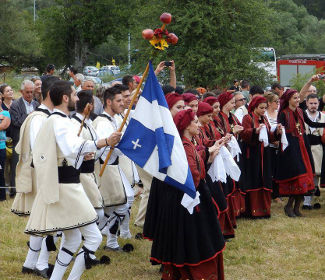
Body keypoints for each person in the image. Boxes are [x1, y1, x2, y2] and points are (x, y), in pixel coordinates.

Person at [25, 80, 120, 280]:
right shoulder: (58, 120)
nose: (78, 99)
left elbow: (70, 149)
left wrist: (85, 151)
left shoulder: (59, 119)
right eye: (75, 95)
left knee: (74, 237)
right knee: (93, 238)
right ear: (65, 98)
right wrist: (104, 142)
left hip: (67, 184)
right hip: (67, 186)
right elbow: (72, 148)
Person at [144, 109, 225, 280]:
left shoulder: (185, 144)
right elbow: (192, 176)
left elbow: (194, 162)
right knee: (192, 240)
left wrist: (209, 155)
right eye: (195, 121)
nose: (198, 124)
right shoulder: (184, 146)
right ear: (187, 126)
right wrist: (205, 164)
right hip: (187, 201)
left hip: (183, 199)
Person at [11, 76, 59, 278]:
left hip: (44, 175)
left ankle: (31, 263)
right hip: (42, 176)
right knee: (46, 223)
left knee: (45, 222)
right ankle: (39, 264)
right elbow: (42, 155)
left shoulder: (44, 116)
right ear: (52, 94)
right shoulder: (40, 119)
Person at [92, 84, 133, 250]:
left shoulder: (114, 119)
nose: (122, 103)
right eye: (118, 100)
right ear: (109, 102)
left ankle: (108, 239)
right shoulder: (102, 122)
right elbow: (105, 145)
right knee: (122, 201)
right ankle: (100, 232)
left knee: (118, 203)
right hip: (106, 167)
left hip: (114, 166)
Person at [276, 89, 325, 218]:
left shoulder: (300, 111)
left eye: (298, 98)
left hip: (303, 145)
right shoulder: (283, 114)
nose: (298, 100)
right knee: (297, 177)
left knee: (305, 176)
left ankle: (297, 208)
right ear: (288, 100)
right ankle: (289, 206)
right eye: (295, 98)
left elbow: (311, 123)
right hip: (291, 148)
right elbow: (280, 133)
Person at [239, 96, 282, 218]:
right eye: (261, 108)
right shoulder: (247, 118)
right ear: (254, 107)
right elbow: (244, 134)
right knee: (253, 179)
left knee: (264, 179)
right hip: (252, 155)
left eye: (265, 108)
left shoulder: (263, 118)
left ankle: (264, 210)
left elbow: (268, 135)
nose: (264, 110)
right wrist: (255, 131)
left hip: (264, 154)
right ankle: (251, 211)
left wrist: (276, 133)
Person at [70, 90, 105, 226]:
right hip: (81, 173)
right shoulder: (74, 124)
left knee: (90, 209)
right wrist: (81, 155)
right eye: (93, 103)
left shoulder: (88, 123)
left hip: (91, 172)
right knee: (97, 210)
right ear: (89, 106)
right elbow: (71, 148)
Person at [9, 80, 39, 197]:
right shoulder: (15, 105)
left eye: (32, 92)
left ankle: (30, 190)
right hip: (19, 141)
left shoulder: (36, 104)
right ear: (21, 92)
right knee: (17, 165)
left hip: (33, 142)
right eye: (27, 92)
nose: (30, 94)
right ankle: (14, 191)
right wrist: (31, 116)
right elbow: (16, 122)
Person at [302, 94, 325, 210]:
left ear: (319, 103)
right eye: (311, 103)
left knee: (317, 173)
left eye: (315, 103)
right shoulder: (302, 115)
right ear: (306, 103)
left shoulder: (323, 116)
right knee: (306, 174)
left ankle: (315, 200)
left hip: (318, 147)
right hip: (305, 147)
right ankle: (306, 201)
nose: (313, 106)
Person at [264, 92, 281, 202]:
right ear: (269, 103)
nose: (278, 104)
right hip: (268, 146)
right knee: (268, 170)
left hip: (278, 145)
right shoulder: (264, 114)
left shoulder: (279, 114)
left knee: (277, 170)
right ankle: (269, 193)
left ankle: (276, 193)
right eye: (276, 102)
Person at [0, 93, 10, 201]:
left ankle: (1, 196)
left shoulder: (6, 113)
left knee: (0, 171)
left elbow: (4, 125)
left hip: (1, 146)